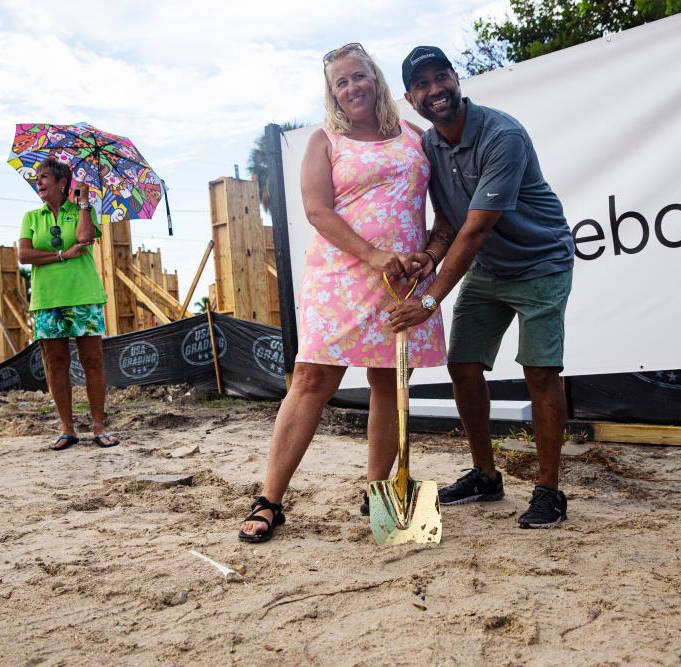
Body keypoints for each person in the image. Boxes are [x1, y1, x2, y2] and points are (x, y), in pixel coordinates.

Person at [238, 42, 447, 542]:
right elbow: (318, 211)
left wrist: (430, 257)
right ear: (332, 94)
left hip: (404, 283)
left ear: (375, 78)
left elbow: (446, 213)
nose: (352, 87)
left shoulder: (416, 137)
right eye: (341, 83)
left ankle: (378, 493)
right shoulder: (325, 140)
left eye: (359, 76)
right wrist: (374, 255)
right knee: (312, 379)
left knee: (389, 383)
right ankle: (270, 500)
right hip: (341, 278)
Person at [388, 46, 575, 529]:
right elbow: (450, 218)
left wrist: (429, 299)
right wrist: (428, 256)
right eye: (422, 85)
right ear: (411, 99)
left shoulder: (502, 135)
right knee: (464, 365)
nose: (435, 91)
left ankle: (549, 492)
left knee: (540, 374)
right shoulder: (429, 145)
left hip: (540, 264)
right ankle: (486, 477)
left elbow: (475, 227)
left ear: (455, 77)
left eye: (440, 77)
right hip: (490, 270)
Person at [17, 157, 120, 450]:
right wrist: (62, 255)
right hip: (48, 299)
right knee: (56, 363)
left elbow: (86, 238)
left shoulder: (81, 211)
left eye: (45, 177)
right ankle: (67, 428)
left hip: (83, 295)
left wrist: (85, 200)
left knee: (92, 360)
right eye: (37, 178)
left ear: (63, 183)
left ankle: (99, 426)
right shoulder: (31, 217)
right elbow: (24, 255)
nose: (39, 182)